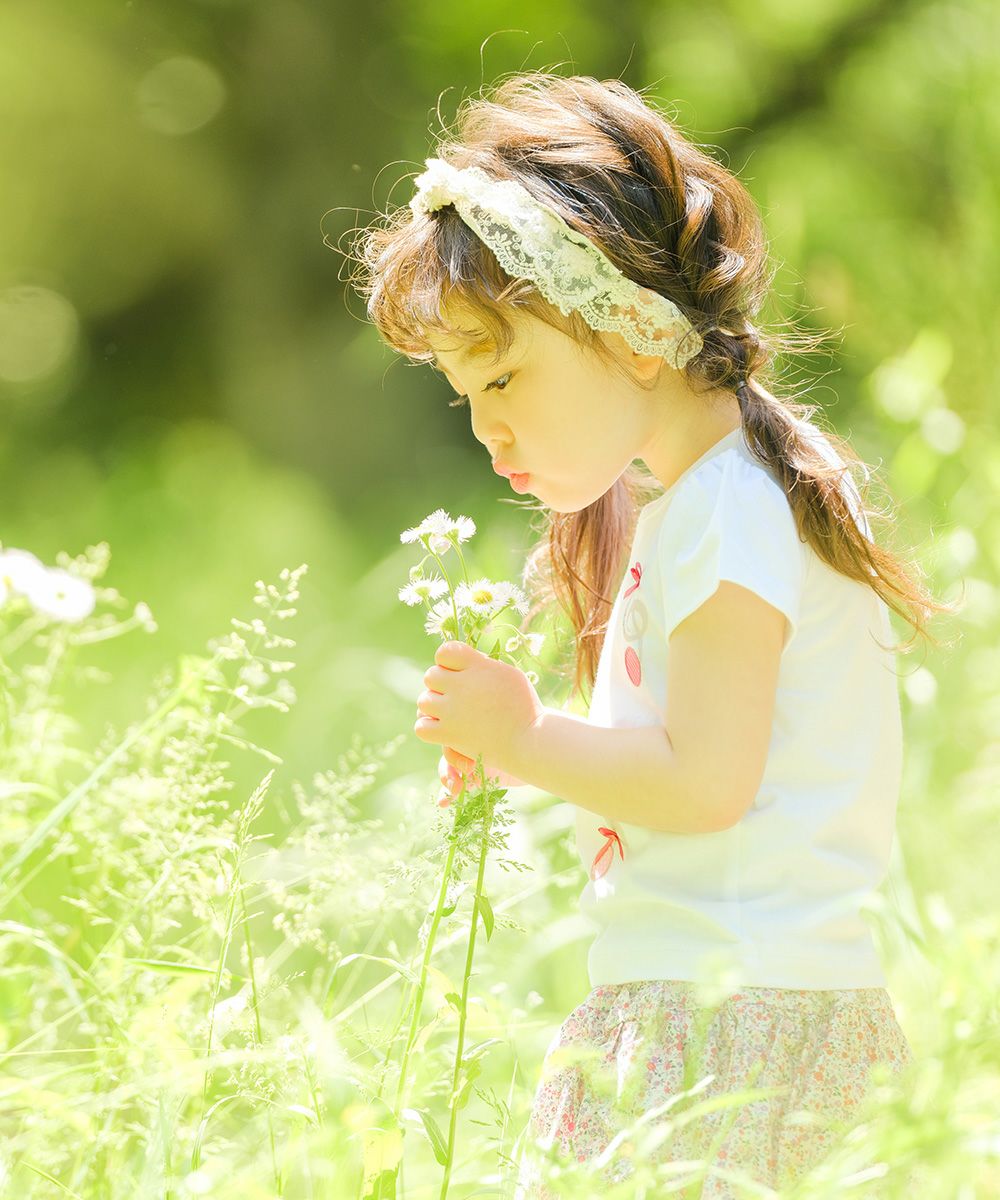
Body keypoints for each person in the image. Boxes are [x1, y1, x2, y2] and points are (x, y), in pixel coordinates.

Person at [348, 72, 952, 1199]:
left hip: (727, 1018)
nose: (489, 430)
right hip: (720, 996)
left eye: (505, 374)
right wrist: (528, 754)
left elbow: (705, 783)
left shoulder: (728, 511)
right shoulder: (712, 502)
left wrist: (527, 735)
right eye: (464, 397)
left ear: (627, 330)